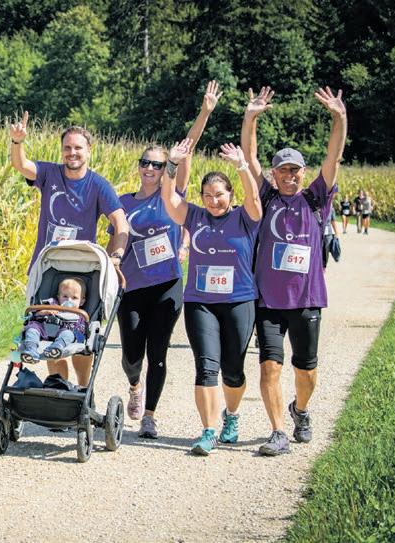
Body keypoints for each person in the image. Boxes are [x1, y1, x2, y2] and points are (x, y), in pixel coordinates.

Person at [111, 80, 222, 439]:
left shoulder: (171, 196)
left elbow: (188, 149)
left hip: (167, 285)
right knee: (132, 355)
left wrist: (204, 112)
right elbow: (116, 236)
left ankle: (150, 416)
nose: (150, 168)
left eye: (157, 164)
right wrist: (112, 260)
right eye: (145, 162)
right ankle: (134, 385)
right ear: (139, 166)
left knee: (158, 353)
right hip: (132, 287)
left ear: (164, 169)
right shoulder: (124, 202)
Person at [241, 85, 347, 456]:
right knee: (269, 368)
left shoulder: (316, 198)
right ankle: (278, 432)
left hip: (306, 299)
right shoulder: (267, 196)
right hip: (268, 301)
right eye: (283, 170)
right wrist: (250, 118)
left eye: (295, 170)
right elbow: (249, 157)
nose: (290, 175)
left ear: (303, 173)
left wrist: (339, 118)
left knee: (306, 372)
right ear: (274, 173)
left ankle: (300, 409)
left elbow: (334, 157)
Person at [9, 115, 129, 387]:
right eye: (67, 148)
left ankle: (83, 388)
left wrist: (116, 256)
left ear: (89, 151)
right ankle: (58, 387)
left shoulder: (98, 185)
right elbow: (21, 165)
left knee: (81, 334)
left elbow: (121, 223)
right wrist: (17, 142)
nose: (72, 153)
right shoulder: (50, 173)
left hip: (83, 269)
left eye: (78, 148)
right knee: (49, 327)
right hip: (50, 264)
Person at [161, 139, 262, 455]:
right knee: (206, 367)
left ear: (230, 195)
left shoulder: (245, 217)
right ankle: (208, 431)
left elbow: (255, 198)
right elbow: (169, 198)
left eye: (219, 195)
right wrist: (172, 165)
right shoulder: (194, 216)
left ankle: (232, 415)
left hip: (239, 301)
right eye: (207, 196)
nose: (214, 201)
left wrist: (242, 166)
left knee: (233, 370)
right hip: (200, 302)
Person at [19, 277, 88, 362]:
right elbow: (35, 315)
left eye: (74, 298)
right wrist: (44, 312)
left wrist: (75, 333)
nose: (69, 300)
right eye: (65, 296)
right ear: (59, 297)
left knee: (68, 334)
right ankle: (31, 349)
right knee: (32, 329)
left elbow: (81, 332)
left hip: (63, 333)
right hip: (44, 330)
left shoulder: (80, 315)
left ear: (82, 301)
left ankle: (56, 348)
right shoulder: (51, 304)